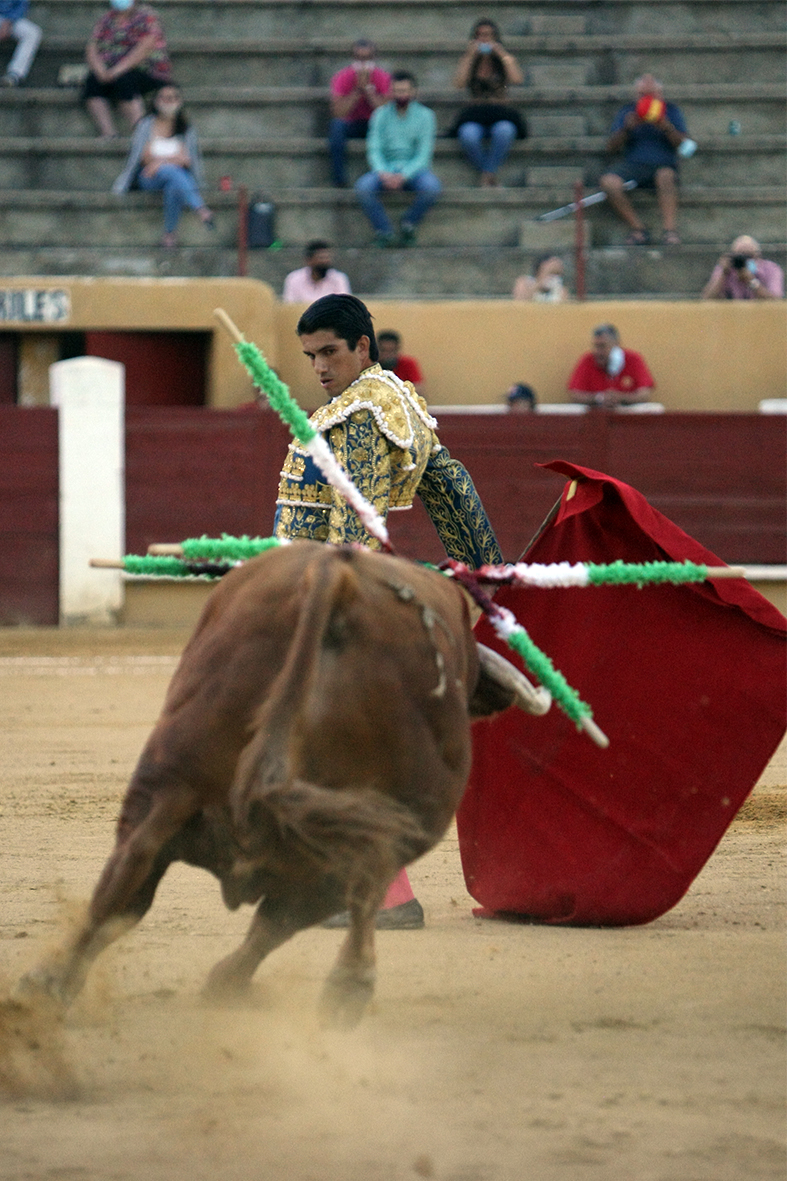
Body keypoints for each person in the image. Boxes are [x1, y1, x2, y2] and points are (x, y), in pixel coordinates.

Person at [274, 294, 503, 928]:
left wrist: (337, 605)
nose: (319, 367)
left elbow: (356, 520)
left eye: (330, 352)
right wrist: (486, 572)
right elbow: (450, 482)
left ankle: (383, 894)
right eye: (310, 356)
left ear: (362, 347)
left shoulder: (363, 412)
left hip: (335, 595)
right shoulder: (394, 399)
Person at [112, 84, 213, 248]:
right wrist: (172, 159)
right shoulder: (146, 125)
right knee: (174, 172)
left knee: (173, 184)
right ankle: (201, 209)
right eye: (164, 98)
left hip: (174, 176)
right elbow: (143, 157)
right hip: (149, 177)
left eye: (173, 98)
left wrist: (160, 162)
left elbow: (188, 160)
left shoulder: (185, 128)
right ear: (156, 101)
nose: (168, 101)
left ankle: (169, 236)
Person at [599, 73, 691, 246]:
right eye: (642, 95)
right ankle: (638, 229)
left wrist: (666, 127)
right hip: (634, 165)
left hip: (663, 164)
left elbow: (686, 147)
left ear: (659, 94)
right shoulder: (627, 111)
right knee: (608, 182)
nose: (647, 98)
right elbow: (611, 148)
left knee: (666, 176)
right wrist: (626, 129)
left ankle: (670, 230)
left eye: (651, 94)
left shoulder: (671, 110)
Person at [355, 71, 441, 248]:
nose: (400, 95)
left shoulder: (426, 116)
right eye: (396, 91)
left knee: (432, 187)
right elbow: (374, 148)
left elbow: (423, 154)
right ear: (390, 92)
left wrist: (404, 175)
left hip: (414, 169)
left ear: (413, 92)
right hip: (385, 168)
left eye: (404, 91)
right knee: (363, 187)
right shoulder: (380, 115)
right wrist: (383, 172)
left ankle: (409, 223)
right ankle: (384, 231)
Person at [451, 18, 525, 187]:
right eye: (480, 35)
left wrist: (501, 54)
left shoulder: (503, 60)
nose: (484, 39)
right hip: (476, 114)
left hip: (499, 113)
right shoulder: (470, 60)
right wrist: (470, 56)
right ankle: (489, 173)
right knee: (468, 135)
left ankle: (487, 174)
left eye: (488, 35)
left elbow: (517, 79)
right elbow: (459, 83)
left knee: (505, 131)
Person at [83, 0, 172, 138]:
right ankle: (109, 133)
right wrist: (100, 71)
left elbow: (146, 46)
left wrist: (116, 71)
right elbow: (92, 47)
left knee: (125, 82)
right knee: (93, 83)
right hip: (109, 70)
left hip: (146, 70)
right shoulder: (107, 19)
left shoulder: (147, 17)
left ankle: (141, 134)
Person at [328, 38, 391, 188]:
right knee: (336, 126)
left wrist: (368, 90)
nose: (363, 63)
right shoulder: (342, 77)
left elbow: (387, 111)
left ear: (374, 58)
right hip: (352, 124)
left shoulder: (383, 77)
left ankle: (388, 174)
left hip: (375, 124)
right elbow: (338, 113)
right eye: (359, 58)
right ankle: (339, 179)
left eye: (367, 58)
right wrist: (357, 91)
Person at [567, 324, 655, 408]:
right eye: (596, 346)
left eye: (602, 346)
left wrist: (621, 398)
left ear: (616, 346)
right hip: (596, 415)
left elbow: (645, 394)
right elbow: (575, 394)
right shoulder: (587, 360)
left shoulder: (633, 359)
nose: (597, 351)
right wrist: (599, 398)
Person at [701, 234, 785, 301]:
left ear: (758, 256)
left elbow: (776, 301)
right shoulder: (726, 268)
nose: (745, 260)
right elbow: (707, 298)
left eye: (749, 256)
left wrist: (751, 281)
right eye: (740, 256)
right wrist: (723, 274)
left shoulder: (771, 269)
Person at [282, 241, 352, 303]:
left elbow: (344, 304)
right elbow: (289, 305)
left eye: (327, 258)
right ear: (309, 260)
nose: (325, 262)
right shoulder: (294, 279)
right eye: (321, 258)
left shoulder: (339, 279)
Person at [0, 0, 41, 87]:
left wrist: (8, 21)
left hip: (9, 18)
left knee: (32, 33)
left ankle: (14, 74)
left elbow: (21, 5)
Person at [377, 329, 424, 394]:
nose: (387, 355)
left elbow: (419, 389)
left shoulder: (407, 364)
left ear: (397, 349)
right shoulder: (370, 365)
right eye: (383, 350)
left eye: (391, 351)